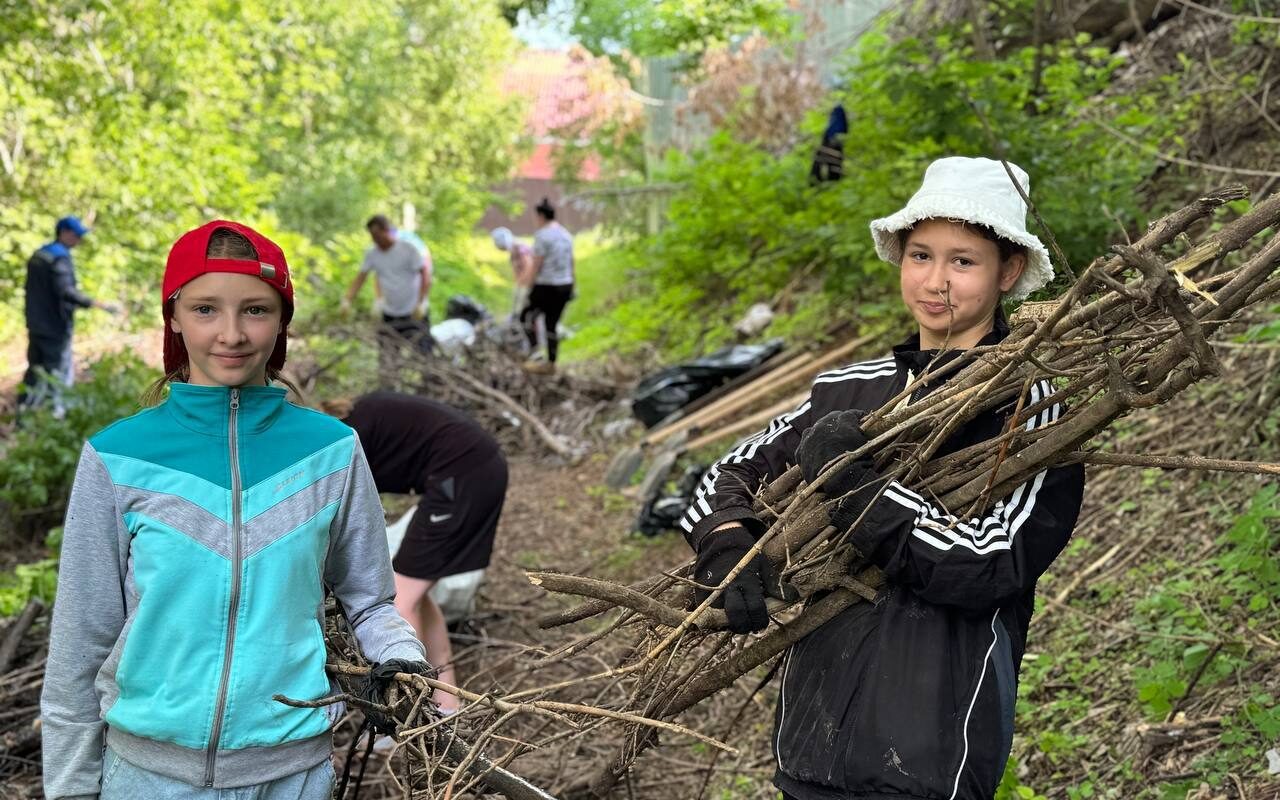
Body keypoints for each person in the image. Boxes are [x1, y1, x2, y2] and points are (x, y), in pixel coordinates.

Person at [678, 157, 1085, 800]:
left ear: (1008, 271)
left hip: (934, 753)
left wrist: (857, 490)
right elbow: (726, 474)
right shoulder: (848, 390)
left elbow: (990, 563)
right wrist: (727, 538)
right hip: (813, 743)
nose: (936, 281)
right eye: (920, 254)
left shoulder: (1030, 406)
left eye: (963, 261)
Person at [41, 220, 432, 800]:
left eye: (255, 310)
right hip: (146, 778)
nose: (231, 334)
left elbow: (370, 600)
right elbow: (81, 640)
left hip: (292, 776)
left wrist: (402, 656)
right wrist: (71, 787)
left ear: (282, 321)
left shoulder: (331, 452)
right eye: (205, 309)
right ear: (173, 316)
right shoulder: (117, 458)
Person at [322, 391, 508, 715]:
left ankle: (413, 716)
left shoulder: (342, 436)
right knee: (416, 593)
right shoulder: (358, 417)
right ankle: (446, 705)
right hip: (469, 472)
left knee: (400, 600)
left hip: (462, 477)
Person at [21, 215, 118, 418]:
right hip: (55, 327)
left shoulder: (39, 255)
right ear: (64, 233)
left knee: (35, 370)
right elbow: (66, 292)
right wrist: (98, 304)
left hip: (35, 324)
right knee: (58, 372)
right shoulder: (59, 258)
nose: (79, 241)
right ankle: (56, 417)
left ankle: (24, 414)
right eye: (76, 235)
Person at [344, 214, 434, 359]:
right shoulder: (372, 254)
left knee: (423, 354)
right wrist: (347, 300)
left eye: (378, 236)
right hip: (390, 313)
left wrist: (421, 301)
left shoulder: (408, 249)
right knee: (388, 356)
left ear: (387, 230)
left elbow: (425, 275)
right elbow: (361, 277)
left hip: (413, 312)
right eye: (373, 237)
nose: (376, 240)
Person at [520, 198, 575, 373]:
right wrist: (574, 283)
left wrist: (527, 286)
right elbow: (571, 262)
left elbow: (537, 264)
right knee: (551, 323)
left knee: (526, 317)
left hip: (547, 286)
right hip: (565, 285)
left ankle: (535, 354)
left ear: (541, 216)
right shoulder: (566, 234)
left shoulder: (542, 235)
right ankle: (551, 362)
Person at [491, 226, 535, 321]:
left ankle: (519, 319)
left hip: (530, 281)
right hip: (523, 281)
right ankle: (516, 318)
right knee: (516, 299)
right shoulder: (513, 251)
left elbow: (529, 266)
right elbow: (517, 270)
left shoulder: (520, 248)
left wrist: (521, 282)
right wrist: (518, 282)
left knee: (521, 302)